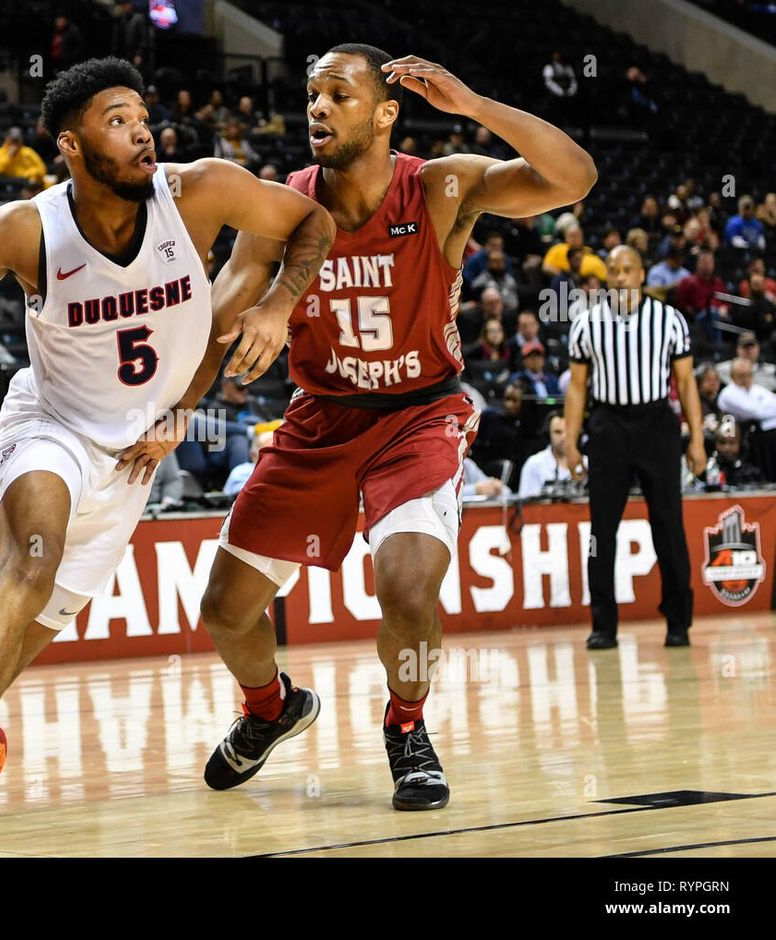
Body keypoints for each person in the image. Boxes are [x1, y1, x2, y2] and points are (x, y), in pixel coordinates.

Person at [0, 58, 334, 852]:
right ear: (71, 146)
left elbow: (313, 222)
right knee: (30, 560)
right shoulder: (23, 229)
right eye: (117, 120)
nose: (141, 129)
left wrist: (276, 304)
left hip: (131, 464)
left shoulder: (201, 192)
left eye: (141, 114)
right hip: (48, 428)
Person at [184, 44, 594, 812]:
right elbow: (219, 310)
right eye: (312, 94)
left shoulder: (441, 186)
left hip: (419, 415)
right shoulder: (282, 205)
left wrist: (474, 106)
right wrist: (170, 410)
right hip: (318, 420)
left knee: (407, 591)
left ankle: (407, 728)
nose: (317, 106)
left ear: (385, 113)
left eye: (338, 94)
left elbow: (574, 178)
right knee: (224, 609)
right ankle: (269, 708)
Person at [565, 245, 704, 649]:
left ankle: (678, 621)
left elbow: (687, 383)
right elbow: (577, 388)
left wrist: (695, 438)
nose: (620, 277)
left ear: (642, 275)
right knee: (601, 531)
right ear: (606, 276)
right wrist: (572, 444)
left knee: (668, 525)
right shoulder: (586, 323)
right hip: (608, 426)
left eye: (627, 270)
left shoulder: (670, 320)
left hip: (657, 424)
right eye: (613, 270)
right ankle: (603, 626)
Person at [517, 412, 578, 497]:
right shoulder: (534, 464)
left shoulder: (587, 463)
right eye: (558, 432)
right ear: (548, 434)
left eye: (568, 431)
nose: (564, 437)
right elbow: (526, 506)